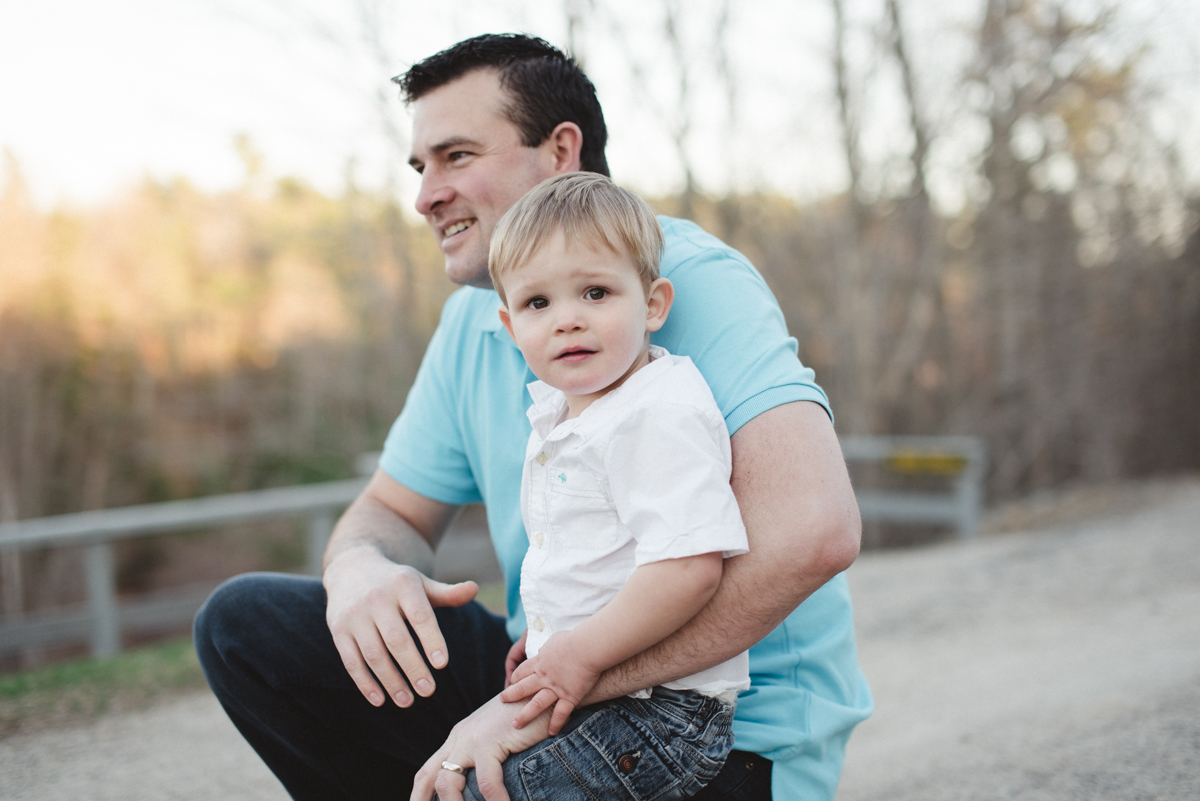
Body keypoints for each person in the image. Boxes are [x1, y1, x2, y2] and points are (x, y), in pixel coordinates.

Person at [194, 33, 872, 801]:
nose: (425, 196)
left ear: (559, 152)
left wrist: (552, 692)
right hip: (550, 668)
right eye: (420, 169)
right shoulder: (474, 321)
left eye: (456, 157)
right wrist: (358, 569)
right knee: (246, 624)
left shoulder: (685, 279)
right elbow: (389, 509)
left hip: (716, 727)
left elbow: (818, 532)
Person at [424, 171, 749, 800]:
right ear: (510, 324)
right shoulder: (564, 411)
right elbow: (597, 555)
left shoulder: (655, 410)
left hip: (663, 714)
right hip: (611, 689)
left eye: (595, 293)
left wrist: (575, 653)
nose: (567, 321)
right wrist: (549, 632)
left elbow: (688, 569)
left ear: (653, 304)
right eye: (538, 304)